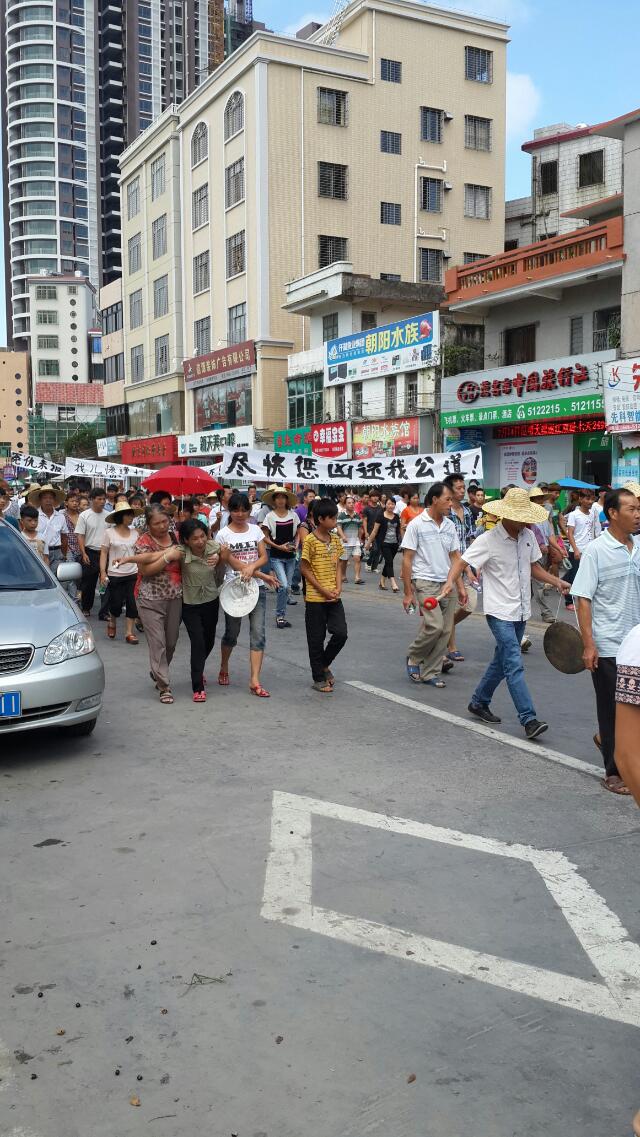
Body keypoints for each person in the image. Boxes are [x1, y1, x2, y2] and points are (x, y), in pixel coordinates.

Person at [442, 487, 570, 738]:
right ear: (506, 514)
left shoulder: (528, 536)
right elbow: (461, 561)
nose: (523, 522)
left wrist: (557, 581)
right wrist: (450, 583)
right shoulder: (488, 540)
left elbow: (534, 568)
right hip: (499, 611)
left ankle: (479, 701)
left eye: (525, 517)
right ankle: (528, 719)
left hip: (521, 611)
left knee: (501, 662)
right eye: (519, 517)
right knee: (513, 663)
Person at [571, 488, 640, 795]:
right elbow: (582, 598)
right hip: (610, 644)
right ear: (612, 513)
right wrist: (589, 644)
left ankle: (606, 740)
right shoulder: (596, 551)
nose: (637, 514)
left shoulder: (639, 546)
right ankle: (614, 772)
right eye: (631, 509)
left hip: (636, 644)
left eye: (638, 509)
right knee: (613, 710)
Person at [401, 483, 465, 688]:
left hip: (447, 583)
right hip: (424, 581)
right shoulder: (417, 524)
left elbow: (455, 557)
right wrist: (408, 593)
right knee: (434, 626)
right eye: (447, 499)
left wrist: (460, 586)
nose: (451, 503)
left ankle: (430, 673)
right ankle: (414, 655)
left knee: (445, 631)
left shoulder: (450, 526)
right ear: (435, 499)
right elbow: (407, 559)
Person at [217, 492, 277, 697]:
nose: (240, 514)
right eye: (236, 510)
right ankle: (224, 666)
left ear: (250, 511)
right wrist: (252, 569)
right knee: (231, 634)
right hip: (233, 589)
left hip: (256, 588)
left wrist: (254, 569)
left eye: (244, 510)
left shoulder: (256, 530)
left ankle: (255, 680)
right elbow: (228, 560)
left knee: (258, 634)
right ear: (230, 511)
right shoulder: (222, 534)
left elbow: (263, 556)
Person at [130, 505, 183, 704]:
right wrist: (168, 556)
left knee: (171, 642)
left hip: (175, 596)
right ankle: (164, 686)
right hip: (149, 598)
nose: (162, 526)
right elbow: (145, 570)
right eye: (156, 523)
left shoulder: (177, 537)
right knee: (158, 643)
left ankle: (158, 671)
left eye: (164, 521)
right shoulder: (143, 542)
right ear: (148, 524)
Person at [300, 497, 347, 694]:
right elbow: (304, 569)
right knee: (316, 639)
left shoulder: (335, 539)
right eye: (332, 518)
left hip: (334, 596)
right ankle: (318, 678)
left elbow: (338, 565)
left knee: (341, 633)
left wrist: (338, 587)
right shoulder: (310, 540)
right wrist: (323, 590)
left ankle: (324, 664)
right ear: (320, 519)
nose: (335, 521)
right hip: (315, 598)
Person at [178, 518, 221, 703]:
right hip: (190, 604)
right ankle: (198, 687)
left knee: (209, 640)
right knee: (198, 642)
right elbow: (161, 556)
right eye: (195, 538)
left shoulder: (213, 547)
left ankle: (199, 667)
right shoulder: (181, 552)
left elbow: (227, 552)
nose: (200, 541)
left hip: (211, 600)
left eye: (202, 536)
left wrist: (219, 557)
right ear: (186, 540)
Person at [99, 500, 142, 645]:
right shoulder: (109, 533)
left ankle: (129, 632)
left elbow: (139, 553)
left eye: (132, 515)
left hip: (133, 573)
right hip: (115, 574)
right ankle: (112, 620)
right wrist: (103, 572)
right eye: (128, 515)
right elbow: (104, 553)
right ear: (120, 516)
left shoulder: (135, 533)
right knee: (116, 604)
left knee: (132, 603)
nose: (131, 518)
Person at [444, 473, 477, 662]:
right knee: (450, 606)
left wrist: (472, 566)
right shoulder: (445, 513)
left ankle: (444, 628)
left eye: (464, 487)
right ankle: (451, 646)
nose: (463, 491)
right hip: (449, 566)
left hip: (466, 564)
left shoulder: (467, 511)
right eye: (459, 488)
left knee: (469, 605)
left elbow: (470, 539)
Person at [260, 485, 300, 629]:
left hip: (290, 555)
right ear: (274, 500)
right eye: (278, 498)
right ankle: (280, 616)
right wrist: (278, 546)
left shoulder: (293, 515)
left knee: (287, 587)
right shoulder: (269, 516)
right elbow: (265, 537)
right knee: (283, 585)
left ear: (287, 500)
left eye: (283, 497)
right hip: (276, 556)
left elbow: (298, 533)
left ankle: (281, 615)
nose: (281, 500)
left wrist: (296, 544)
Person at [564, 489, 601, 609]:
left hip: (589, 549)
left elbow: (594, 530)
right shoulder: (574, 515)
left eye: (592, 499)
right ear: (580, 499)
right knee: (574, 576)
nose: (590, 501)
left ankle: (584, 598)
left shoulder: (593, 513)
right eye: (587, 498)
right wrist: (575, 549)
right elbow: (570, 533)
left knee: (588, 575)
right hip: (577, 550)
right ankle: (568, 601)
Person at [75, 487, 108, 615]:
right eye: (99, 499)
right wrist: (83, 553)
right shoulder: (84, 515)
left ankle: (104, 611)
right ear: (92, 500)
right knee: (89, 583)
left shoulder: (108, 516)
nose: (102, 501)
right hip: (90, 552)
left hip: (105, 552)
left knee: (106, 582)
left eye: (104, 499)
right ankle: (86, 607)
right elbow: (80, 535)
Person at [28, 483, 67, 578]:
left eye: (50, 498)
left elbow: (64, 537)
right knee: (41, 577)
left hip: (57, 552)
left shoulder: (61, 516)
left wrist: (63, 554)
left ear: (54, 500)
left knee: (57, 578)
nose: (48, 500)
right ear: (40, 500)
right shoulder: (34, 515)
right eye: (45, 498)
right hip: (39, 551)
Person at [368, 496, 401, 591]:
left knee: (388, 562)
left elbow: (398, 530)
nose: (391, 506)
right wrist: (368, 543)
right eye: (389, 504)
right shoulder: (380, 516)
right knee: (390, 562)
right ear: (385, 505)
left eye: (392, 504)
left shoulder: (396, 516)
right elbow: (374, 531)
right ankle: (393, 583)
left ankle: (382, 582)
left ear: (395, 505)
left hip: (394, 544)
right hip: (384, 543)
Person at [337, 494, 364, 585]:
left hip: (355, 541)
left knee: (357, 558)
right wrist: (343, 536)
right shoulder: (341, 516)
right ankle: (343, 576)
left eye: (352, 503)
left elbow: (360, 528)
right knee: (344, 561)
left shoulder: (357, 516)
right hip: (345, 542)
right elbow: (339, 527)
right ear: (345, 505)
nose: (351, 504)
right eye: (349, 503)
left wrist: (360, 538)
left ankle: (357, 577)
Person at [362, 491, 384, 572]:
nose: (375, 498)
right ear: (370, 498)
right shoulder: (366, 509)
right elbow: (364, 521)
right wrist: (366, 532)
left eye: (377, 496)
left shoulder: (381, 508)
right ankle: (368, 563)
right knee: (374, 549)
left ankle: (374, 567)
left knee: (378, 550)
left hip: (380, 531)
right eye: (373, 496)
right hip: (370, 531)